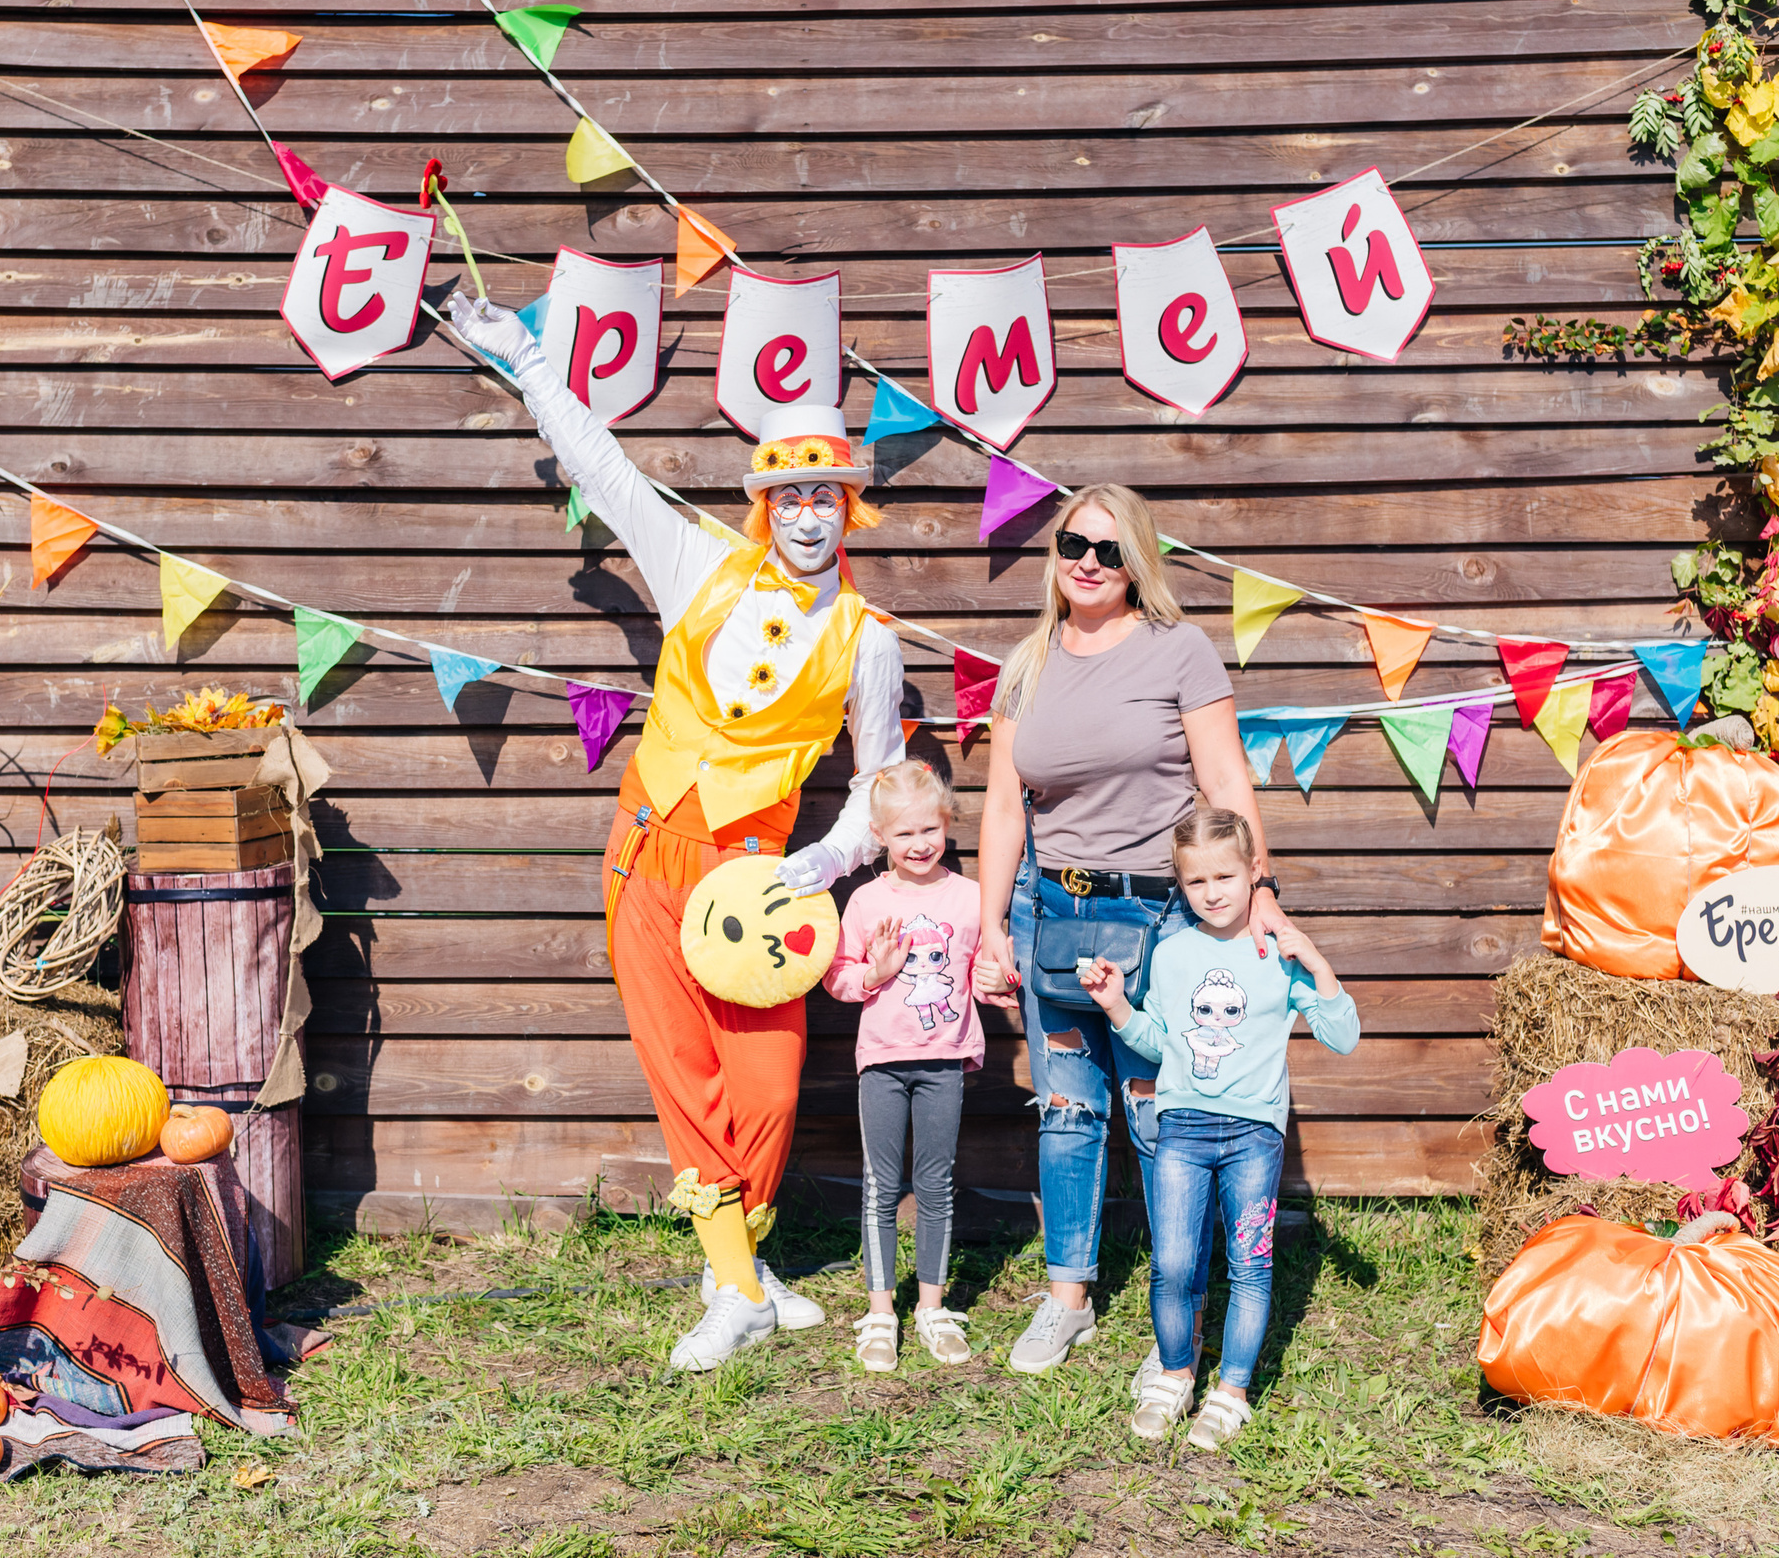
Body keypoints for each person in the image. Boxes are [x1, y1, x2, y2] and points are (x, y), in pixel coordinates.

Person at [447, 292, 907, 1373]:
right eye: (788, 494)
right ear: (764, 505)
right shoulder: (695, 562)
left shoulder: (868, 639)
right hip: (649, 848)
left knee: (769, 1084)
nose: (805, 514)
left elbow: (878, 781)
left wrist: (828, 860)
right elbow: (603, 468)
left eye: (824, 496)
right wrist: (522, 357)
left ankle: (731, 1264)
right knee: (679, 1072)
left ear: (850, 510)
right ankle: (739, 1286)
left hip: (760, 877)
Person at [970, 484, 1296, 1392]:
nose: (1087, 561)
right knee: (1070, 1110)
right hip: (1053, 917)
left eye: (1110, 551)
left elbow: (1226, 774)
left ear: (1138, 562)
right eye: (1075, 541)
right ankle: (1067, 1296)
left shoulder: (1179, 650)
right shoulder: (1026, 662)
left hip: (1162, 919)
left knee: (1163, 1114)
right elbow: (1003, 805)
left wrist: (1258, 888)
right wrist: (991, 922)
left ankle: (1178, 1308)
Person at [1081, 803, 1357, 1448]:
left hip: (1253, 1137)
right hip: (1180, 1130)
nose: (1212, 893)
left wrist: (1317, 965)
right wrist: (1118, 1004)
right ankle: (1176, 1374)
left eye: (1224, 878)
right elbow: (1157, 1043)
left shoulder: (1278, 953)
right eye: (1196, 882)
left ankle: (1231, 1389)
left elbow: (1342, 1038)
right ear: (1181, 884)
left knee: (1249, 1265)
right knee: (1175, 1263)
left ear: (1253, 872)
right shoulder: (1173, 954)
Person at [823, 759, 996, 1372]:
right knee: (880, 1185)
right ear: (879, 836)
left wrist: (997, 979)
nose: (919, 844)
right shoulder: (867, 901)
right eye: (904, 834)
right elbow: (838, 974)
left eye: (930, 830)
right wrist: (877, 973)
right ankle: (879, 1313)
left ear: (947, 823)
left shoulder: (973, 897)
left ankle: (931, 1307)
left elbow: (982, 969)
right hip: (883, 1063)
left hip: (945, 1061)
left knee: (936, 1184)